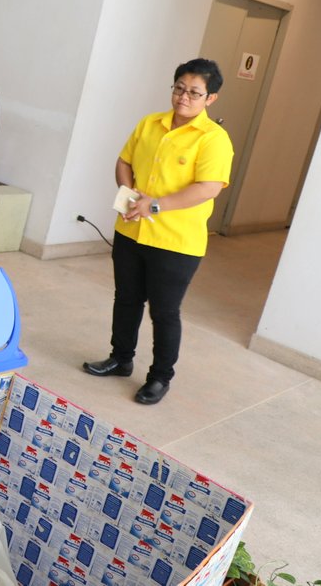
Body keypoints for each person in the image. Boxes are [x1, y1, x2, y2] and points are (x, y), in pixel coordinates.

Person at [83, 58, 233, 405]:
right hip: (131, 230)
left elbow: (208, 188)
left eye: (194, 93)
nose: (183, 97)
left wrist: (155, 206)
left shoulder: (214, 139)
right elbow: (124, 161)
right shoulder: (150, 123)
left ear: (211, 98)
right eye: (179, 88)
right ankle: (121, 358)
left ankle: (160, 377)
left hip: (175, 242)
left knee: (164, 312)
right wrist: (129, 195)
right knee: (126, 298)